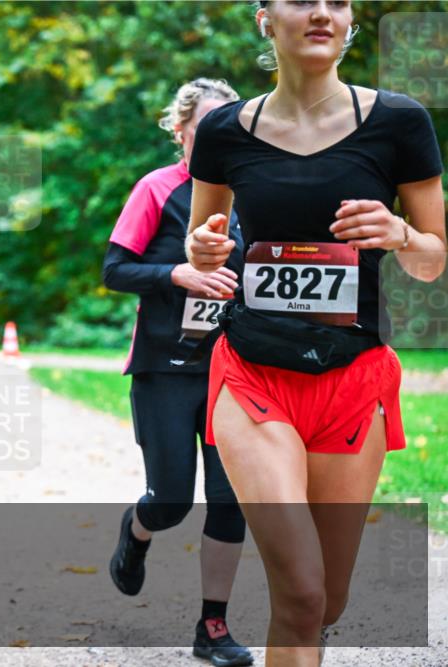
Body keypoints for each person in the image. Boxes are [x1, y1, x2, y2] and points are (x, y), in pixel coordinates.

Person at [186, 1, 445, 664]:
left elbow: (431, 259)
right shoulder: (223, 130)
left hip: (353, 378)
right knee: (300, 594)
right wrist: (206, 252)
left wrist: (402, 233)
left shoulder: (397, 122)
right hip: (255, 374)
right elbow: (201, 242)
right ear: (265, 17)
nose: (322, 12)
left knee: (326, 601)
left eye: (337, 0)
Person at [103, 78, 253, 667]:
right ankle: (136, 532)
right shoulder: (158, 188)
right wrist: (177, 275)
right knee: (170, 501)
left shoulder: (251, 191)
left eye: (230, 127)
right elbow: (114, 269)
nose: (219, 139)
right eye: (207, 128)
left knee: (228, 499)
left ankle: (212, 628)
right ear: (181, 131)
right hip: (166, 368)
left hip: (235, 370)